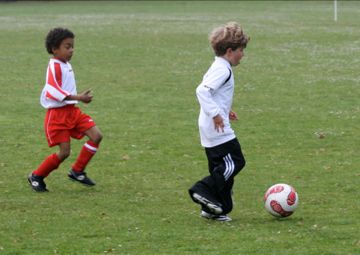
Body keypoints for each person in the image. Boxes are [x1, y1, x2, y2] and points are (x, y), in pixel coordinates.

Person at [28, 28, 103, 192]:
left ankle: (77, 171)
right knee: (64, 152)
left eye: (72, 47)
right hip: (57, 116)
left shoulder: (65, 64)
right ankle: (37, 176)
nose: (71, 50)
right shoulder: (54, 67)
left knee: (96, 135)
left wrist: (78, 99)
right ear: (55, 49)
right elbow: (52, 91)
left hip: (72, 112)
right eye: (67, 47)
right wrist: (79, 97)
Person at [189, 22, 249, 221]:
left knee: (220, 167)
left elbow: (213, 92)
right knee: (236, 161)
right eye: (241, 50)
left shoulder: (218, 66)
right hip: (217, 126)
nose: (243, 55)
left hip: (209, 126)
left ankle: (213, 209)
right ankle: (203, 188)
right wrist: (216, 114)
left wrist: (225, 109)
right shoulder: (223, 70)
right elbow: (202, 90)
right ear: (230, 51)